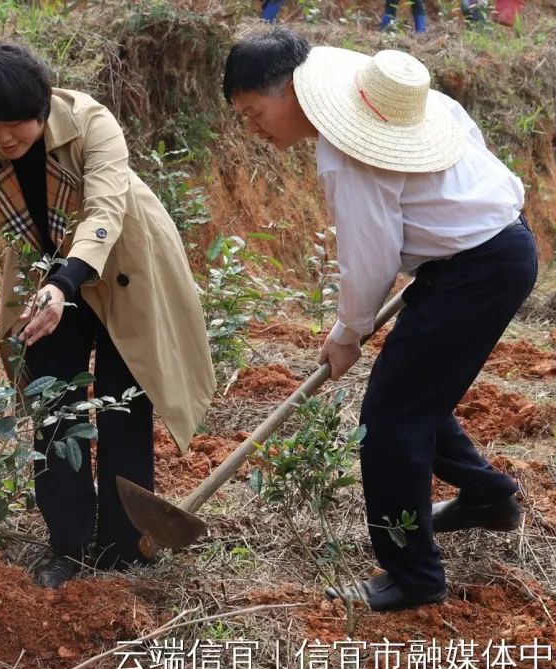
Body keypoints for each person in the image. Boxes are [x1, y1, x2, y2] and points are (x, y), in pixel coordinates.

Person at [223, 29, 534, 611]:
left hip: (476, 269)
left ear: (290, 92)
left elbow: (370, 256)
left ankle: (413, 578)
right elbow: (471, 146)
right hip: (497, 250)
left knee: (390, 420)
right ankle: (488, 497)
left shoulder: (347, 152)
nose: (254, 129)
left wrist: (349, 331)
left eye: (254, 112)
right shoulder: (411, 105)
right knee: (414, 397)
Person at [0, 42, 214, 588]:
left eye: (15, 127)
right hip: (41, 274)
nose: (3, 140)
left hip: (123, 263)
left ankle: (125, 549)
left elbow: (105, 209)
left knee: (125, 406)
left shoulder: (90, 122)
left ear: (42, 109)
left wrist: (65, 284)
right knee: (53, 405)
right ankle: (68, 546)